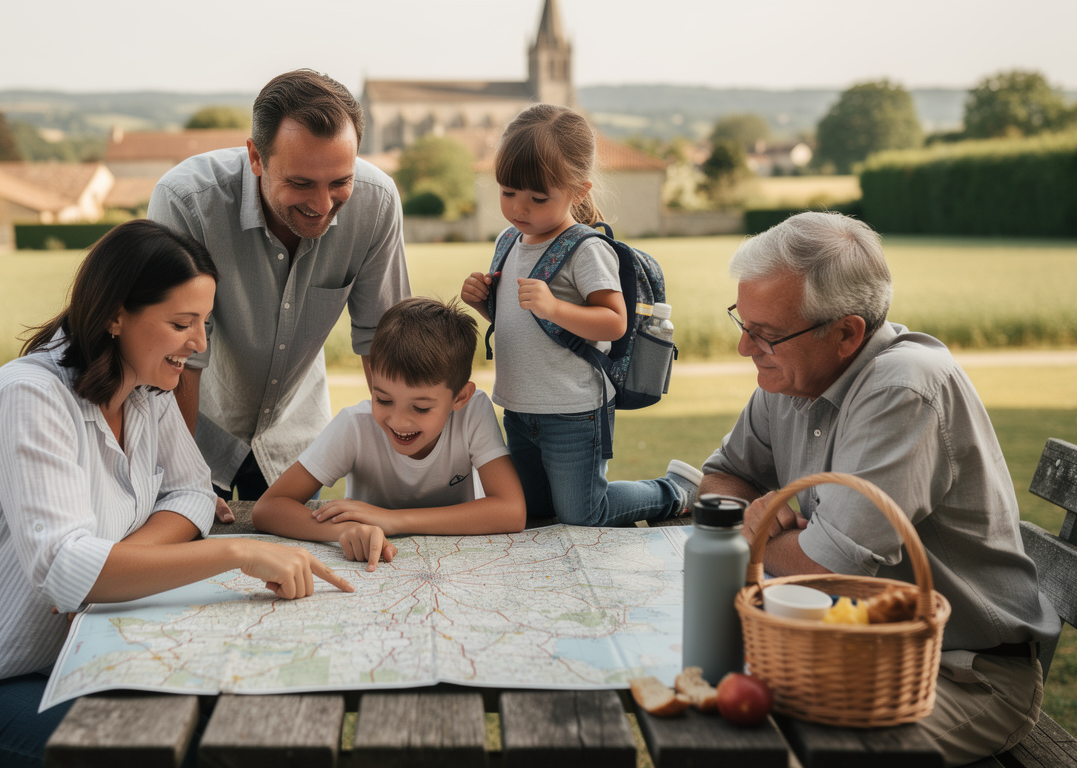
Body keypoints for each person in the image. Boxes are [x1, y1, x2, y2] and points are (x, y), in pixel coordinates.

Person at [0, 220, 353, 768]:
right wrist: (238, 552)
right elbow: (66, 571)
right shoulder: (28, 398)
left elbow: (193, 491)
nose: (199, 344)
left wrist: (113, 567)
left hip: (65, 657)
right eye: (181, 324)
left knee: (240, 722)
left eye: (205, 323)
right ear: (115, 316)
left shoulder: (146, 389)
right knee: (179, 751)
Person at [698, 211, 1060, 766]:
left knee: (782, 751)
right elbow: (722, 477)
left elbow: (824, 566)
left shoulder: (902, 388)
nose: (745, 347)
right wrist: (762, 524)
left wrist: (757, 531)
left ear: (846, 333)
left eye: (766, 334)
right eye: (742, 323)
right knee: (712, 706)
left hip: (959, 674)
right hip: (847, 650)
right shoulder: (790, 376)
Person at [148, 69, 411, 522]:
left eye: (340, 182)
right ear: (256, 157)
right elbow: (179, 352)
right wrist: (183, 478)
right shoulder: (186, 202)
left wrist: (403, 469)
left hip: (296, 439)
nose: (323, 206)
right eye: (301, 183)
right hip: (194, 429)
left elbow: (382, 342)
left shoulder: (377, 203)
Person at [459, 103, 700, 527]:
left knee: (586, 512)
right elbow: (520, 320)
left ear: (579, 191)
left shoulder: (585, 249)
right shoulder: (508, 241)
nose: (519, 208)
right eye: (508, 192)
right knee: (534, 511)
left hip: (574, 411)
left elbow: (614, 322)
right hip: (518, 406)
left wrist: (554, 306)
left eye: (538, 198)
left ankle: (675, 491)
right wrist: (482, 302)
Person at [252, 296, 526, 569]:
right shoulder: (354, 425)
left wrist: (393, 520)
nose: (399, 421)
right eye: (383, 400)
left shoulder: (473, 412)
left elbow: (511, 511)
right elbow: (269, 508)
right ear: (372, 377)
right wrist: (346, 531)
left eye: (421, 408)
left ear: (460, 397)